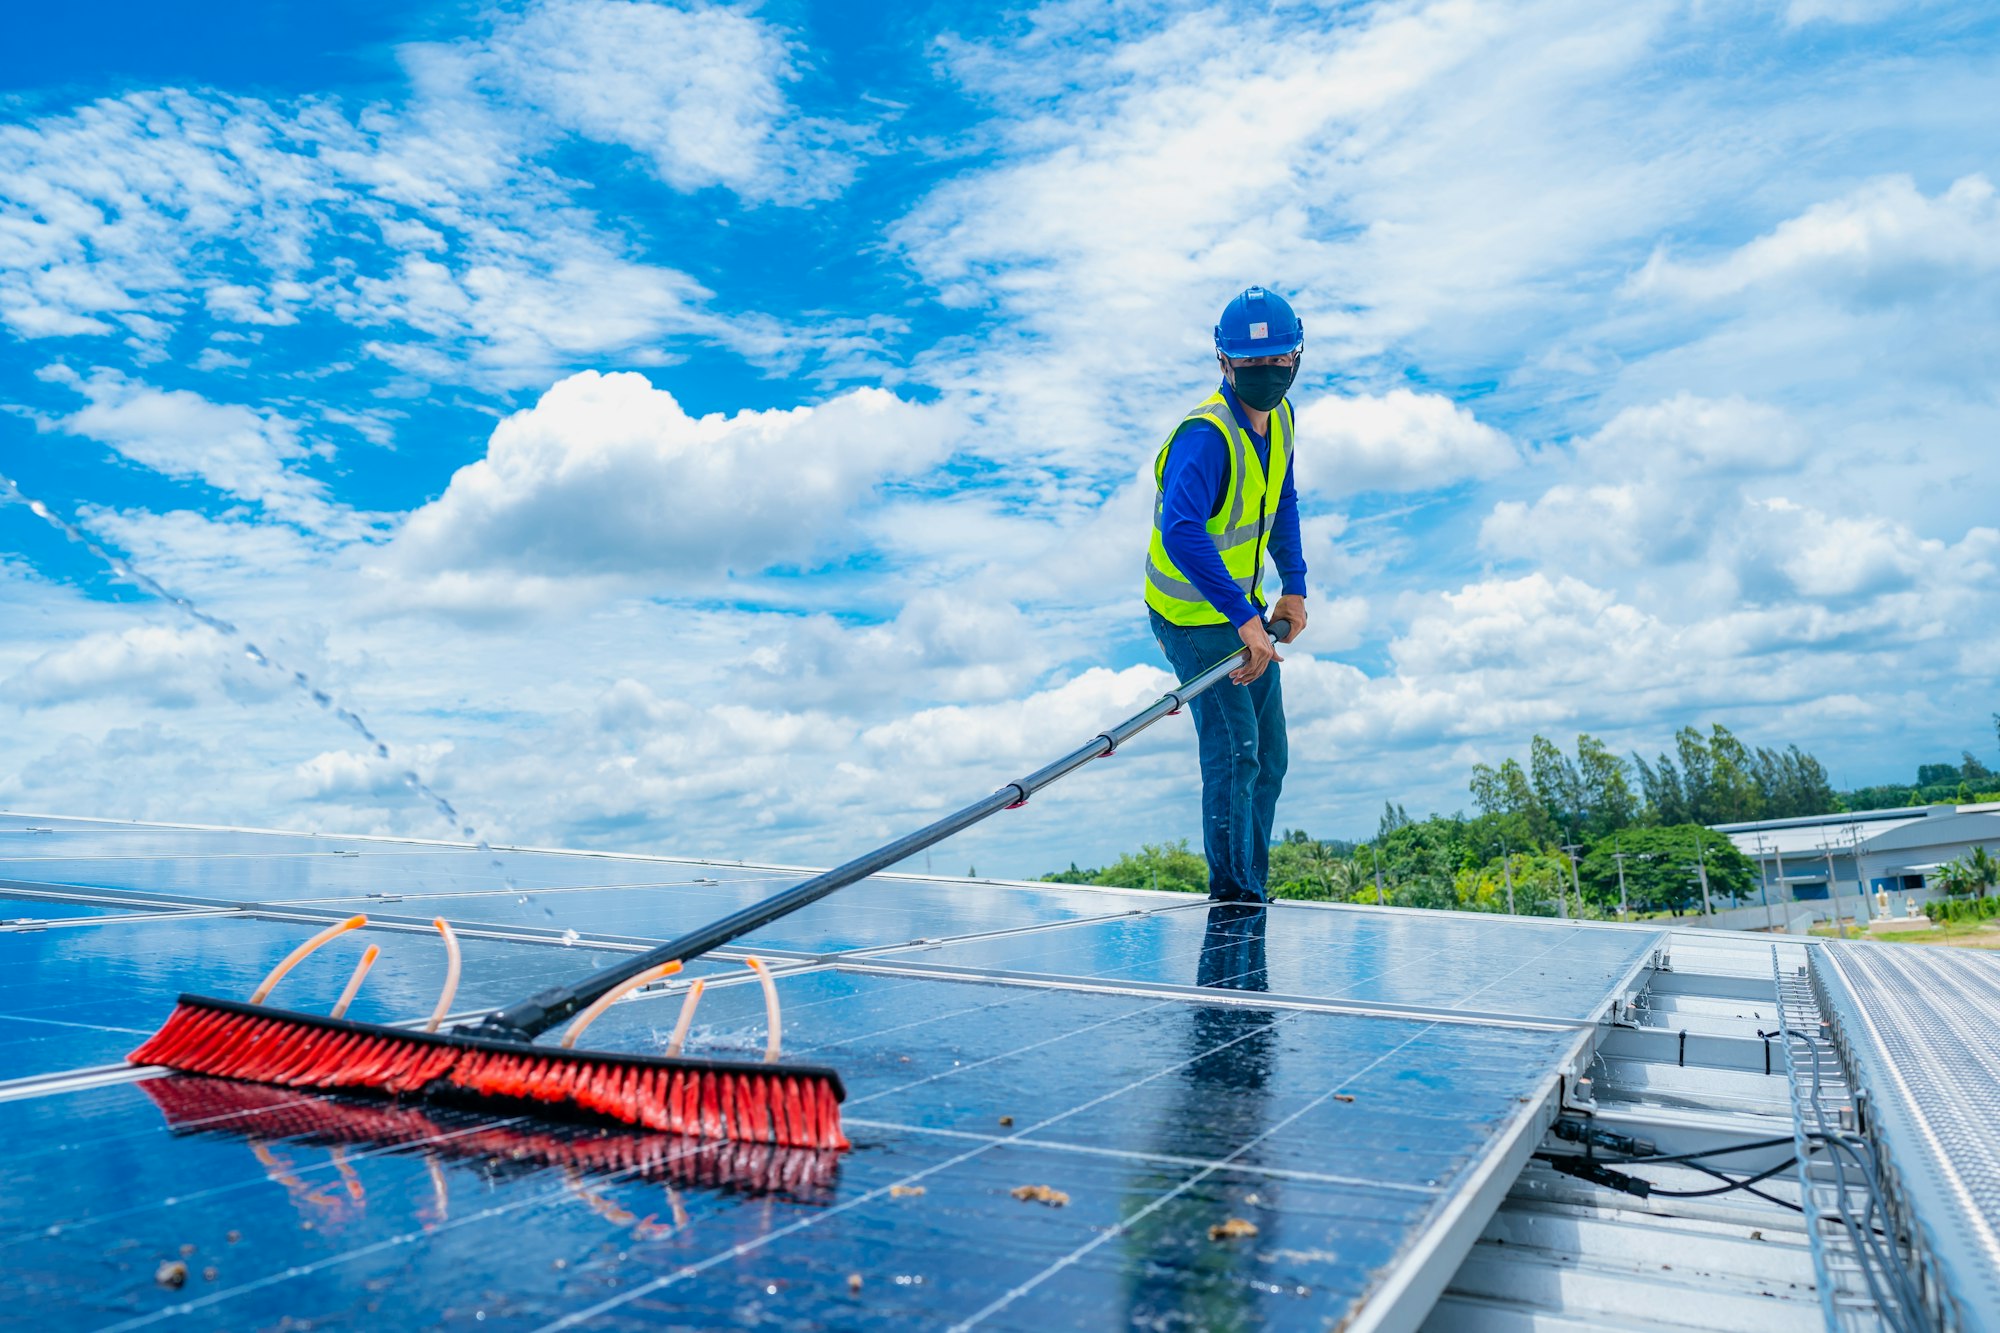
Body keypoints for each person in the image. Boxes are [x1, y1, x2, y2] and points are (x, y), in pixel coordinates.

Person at [1143, 285, 1306, 903]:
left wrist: (1294, 587)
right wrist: (1243, 618)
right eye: (1250, 364)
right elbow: (1181, 533)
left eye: (1276, 362)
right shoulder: (1205, 438)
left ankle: (1252, 883)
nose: (1265, 374)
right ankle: (1235, 897)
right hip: (1190, 616)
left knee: (1270, 754)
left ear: (1295, 359)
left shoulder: (1282, 418)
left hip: (1244, 614)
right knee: (1236, 748)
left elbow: (1281, 500)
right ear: (1224, 364)